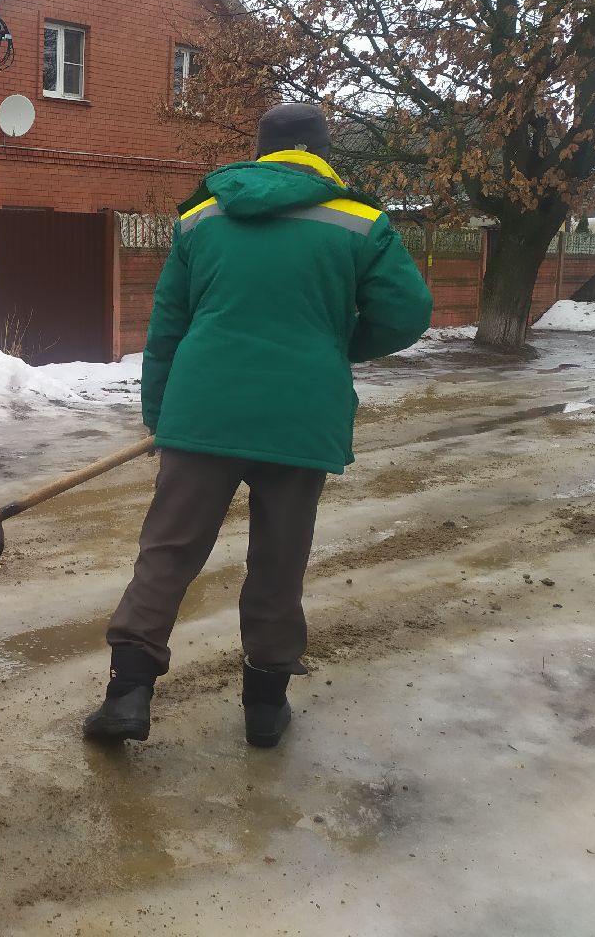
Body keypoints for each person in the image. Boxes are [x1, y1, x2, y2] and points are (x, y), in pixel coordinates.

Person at [82, 104, 433, 748]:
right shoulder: (359, 220)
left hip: (203, 407)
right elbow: (408, 313)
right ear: (321, 152)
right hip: (301, 415)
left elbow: (167, 325)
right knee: (279, 560)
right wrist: (334, 344)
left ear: (260, 150)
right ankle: (265, 709)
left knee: (168, 552)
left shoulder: (202, 216)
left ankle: (127, 695)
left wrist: (161, 414)